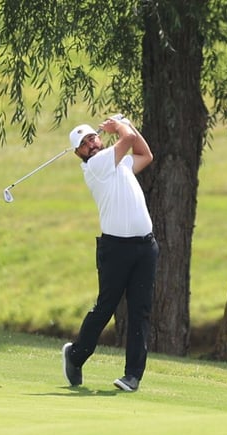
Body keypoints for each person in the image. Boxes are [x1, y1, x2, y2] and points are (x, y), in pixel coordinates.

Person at [61, 115, 156, 392]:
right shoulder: (96, 165)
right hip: (116, 249)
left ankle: (132, 376)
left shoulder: (120, 164)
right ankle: (76, 355)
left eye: (92, 138)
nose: (90, 144)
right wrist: (120, 126)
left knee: (140, 311)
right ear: (78, 153)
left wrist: (129, 123)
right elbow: (126, 140)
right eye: (83, 143)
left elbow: (145, 154)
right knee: (106, 307)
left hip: (145, 248)